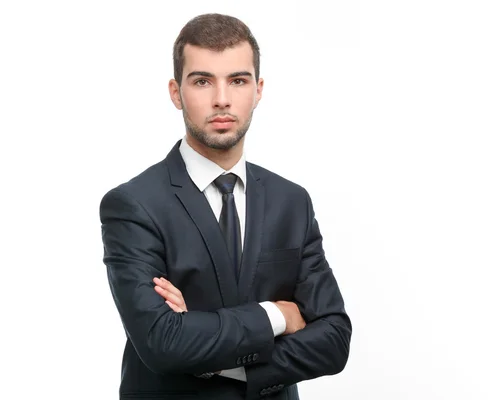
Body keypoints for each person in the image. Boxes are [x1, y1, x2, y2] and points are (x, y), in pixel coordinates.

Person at [99, 13, 352, 400]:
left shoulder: (292, 202)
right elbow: (162, 343)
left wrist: (206, 350)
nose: (222, 98)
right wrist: (279, 316)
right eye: (202, 81)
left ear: (258, 89)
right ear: (175, 92)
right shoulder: (133, 205)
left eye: (237, 80)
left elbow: (334, 339)